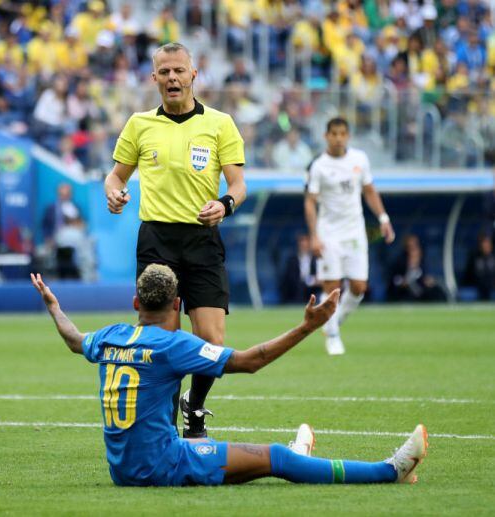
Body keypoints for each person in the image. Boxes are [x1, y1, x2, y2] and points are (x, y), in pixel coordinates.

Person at [30, 264, 428, 487]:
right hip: (162, 466)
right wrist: (307, 327)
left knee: (242, 454)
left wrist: (54, 306)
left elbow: (73, 339)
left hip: (122, 469)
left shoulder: (110, 336)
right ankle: (388, 471)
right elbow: (250, 360)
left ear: (136, 302)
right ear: (178, 304)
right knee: (273, 457)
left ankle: (300, 454)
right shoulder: (174, 345)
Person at [105, 42, 247, 439]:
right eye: (164, 72)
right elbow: (116, 175)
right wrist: (113, 191)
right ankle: (163, 426)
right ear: (154, 78)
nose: (172, 78)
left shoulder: (220, 124)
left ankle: (195, 407)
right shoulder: (139, 124)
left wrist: (226, 204)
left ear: (193, 75)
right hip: (157, 241)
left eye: (179, 71)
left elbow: (238, 184)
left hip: (202, 239)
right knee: (160, 340)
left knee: (212, 340)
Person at [304, 117, 395, 355]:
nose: (338, 138)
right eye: (333, 133)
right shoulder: (319, 165)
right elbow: (310, 202)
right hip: (329, 233)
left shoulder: (360, 160)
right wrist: (314, 235)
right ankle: (332, 335)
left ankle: (334, 322)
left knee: (358, 287)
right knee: (332, 285)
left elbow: (369, 191)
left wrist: (383, 219)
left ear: (348, 136)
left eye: (342, 133)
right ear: (326, 136)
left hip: (355, 231)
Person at [387, 234, 446, 302]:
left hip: (421, 292)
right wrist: (402, 282)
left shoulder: (423, 262)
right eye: (410, 247)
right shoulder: (400, 263)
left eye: (415, 246)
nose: (413, 250)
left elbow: (425, 277)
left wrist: (428, 281)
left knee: (436, 291)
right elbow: (395, 279)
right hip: (404, 293)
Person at [279, 233, 317, 304]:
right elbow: (289, 277)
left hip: (313, 288)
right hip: (296, 287)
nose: (304, 246)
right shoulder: (292, 259)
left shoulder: (315, 258)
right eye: (302, 244)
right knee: (299, 286)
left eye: (306, 243)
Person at [464, 233, 495, 300]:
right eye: (483, 243)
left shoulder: (493, 256)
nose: (485, 246)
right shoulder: (474, 257)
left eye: (487, 243)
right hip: (478, 287)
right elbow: (469, 274)